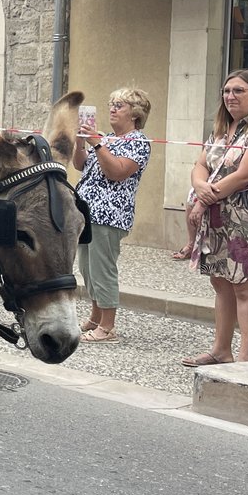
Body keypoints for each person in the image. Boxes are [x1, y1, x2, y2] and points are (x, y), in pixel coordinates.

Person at [183, 69, 248, 365]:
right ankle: (220, 349)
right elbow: (200, 164)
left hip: (244, 218)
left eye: (238, 91)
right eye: (227, 91)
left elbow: (244, 175)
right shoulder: (220, 129)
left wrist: (203, 196)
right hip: (217, 218)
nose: (230, 96)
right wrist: (200, 186)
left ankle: (245, 357)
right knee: (220, 283)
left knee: (245, 288)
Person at [73, 88, 153, 344]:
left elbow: (117, 172)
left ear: (135, 113)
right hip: (88, 211)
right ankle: (96, 317)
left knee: (102, 269)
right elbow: (80, 164)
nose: (113, 109)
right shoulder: (107, 138)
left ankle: (107, 327)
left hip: (109, 215)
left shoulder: (138, 142)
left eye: (120, 105)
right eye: (111, 104)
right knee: (87, 268)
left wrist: (96, 143)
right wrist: (79, 142)